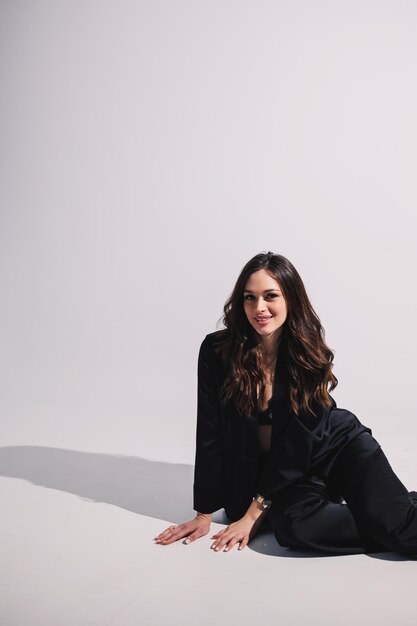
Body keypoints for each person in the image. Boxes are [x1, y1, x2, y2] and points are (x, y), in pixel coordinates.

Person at [154, 252, 417, 555]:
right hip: (288, 474)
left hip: (336, 447)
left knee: (402, 533)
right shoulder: (217, 351)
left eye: (270, 296)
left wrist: (253, 514)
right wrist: (203, 513)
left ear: (290, 299)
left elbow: (298, 442)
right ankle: (390, 515)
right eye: (249, 298)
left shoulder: (307, 354)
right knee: (295, 528)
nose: (259, 308)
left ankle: (393, 519)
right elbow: (210, 431)